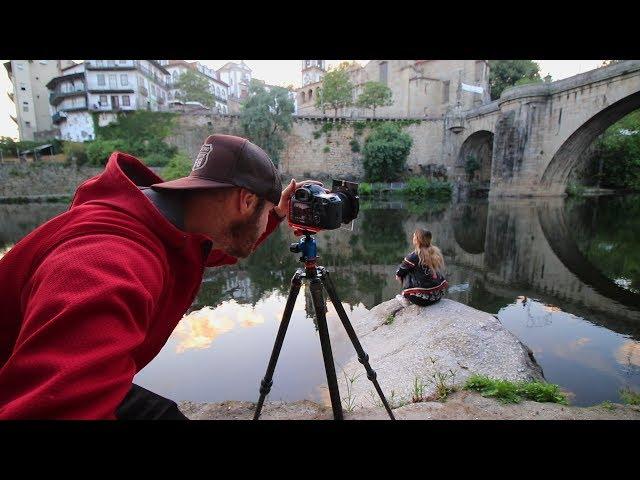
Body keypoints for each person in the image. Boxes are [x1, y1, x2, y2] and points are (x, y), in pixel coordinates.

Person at [0, 134, 321, 420]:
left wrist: (277, 213)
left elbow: (214, 247)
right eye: (265, 211)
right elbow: (51, 409)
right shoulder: (112, 265)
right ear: (246, 200)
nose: (269, 218)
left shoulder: (164, 225)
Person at [395, 229, 448, 307]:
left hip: (420, 299)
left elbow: (399, 273)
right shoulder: (435, 252)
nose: (412, 238)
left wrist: (399, 276)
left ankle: (405, 297)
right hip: (437, 296)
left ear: (417, 240)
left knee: (403, 272)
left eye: (414, 237)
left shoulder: (413, 256)